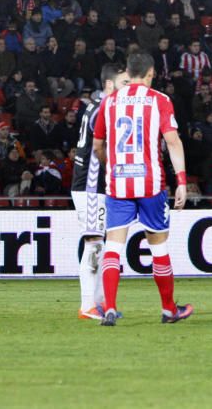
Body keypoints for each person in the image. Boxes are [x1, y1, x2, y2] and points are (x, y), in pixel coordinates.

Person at [92, 52, 192, 326]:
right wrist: (181, 181)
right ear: (150, 74)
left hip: (118, 184)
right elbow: (172, 142)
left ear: (128, 71)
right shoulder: (159, 100)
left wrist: (109, 165)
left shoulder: (109, 102)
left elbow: (98, 145)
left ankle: (109, 307)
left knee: (113, 245)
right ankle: (169, 309)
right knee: (158, 247)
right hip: (151, 184)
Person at [71, 63, 127, 320]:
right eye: (123, 83)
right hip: (90, 187)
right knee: (94, 244)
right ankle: (87, 306)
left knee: (100, 245)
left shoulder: (96, 106)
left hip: (94, 187)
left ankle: (100, 302)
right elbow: (99, 149)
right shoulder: (103, 110)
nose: (127, 88)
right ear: (109, 85)